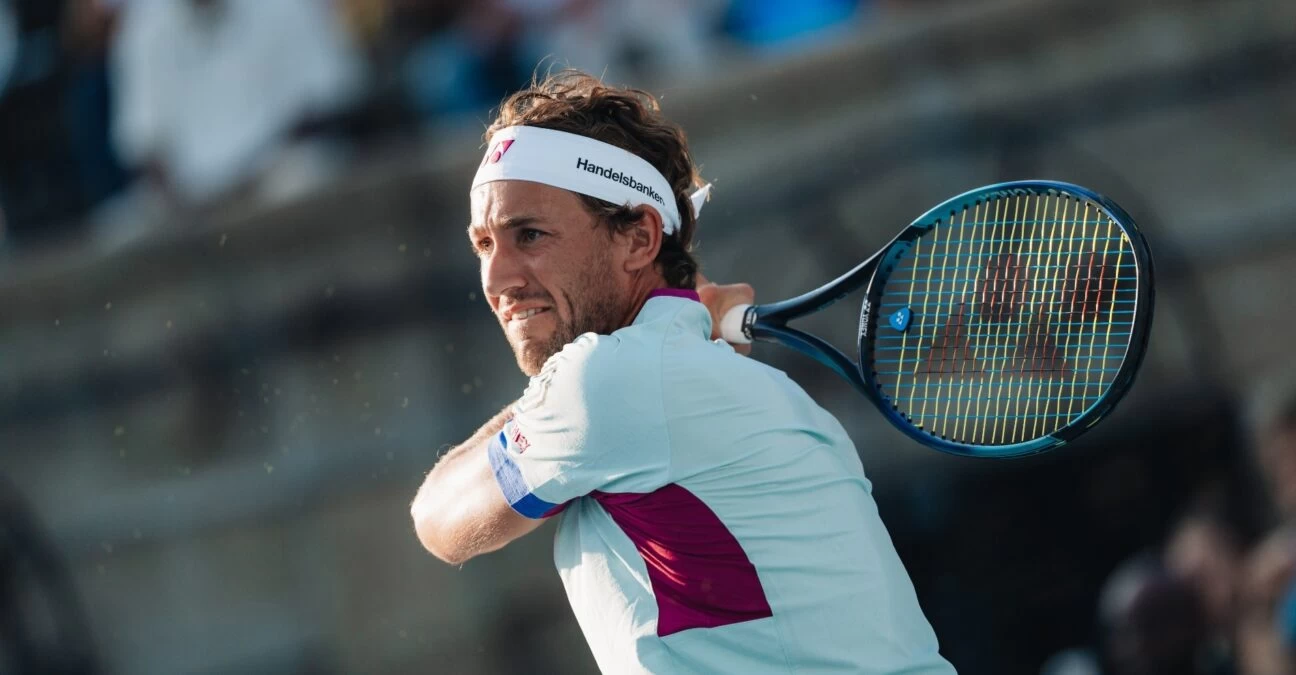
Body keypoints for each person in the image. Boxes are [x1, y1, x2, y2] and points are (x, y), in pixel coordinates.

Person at [410, 70, 955, 674]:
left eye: (530, 235)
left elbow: (438, 522)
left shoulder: (611, 382)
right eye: (484, 245)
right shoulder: (711, 382)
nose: (496, 279)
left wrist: (562, 393)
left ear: (639, 238)